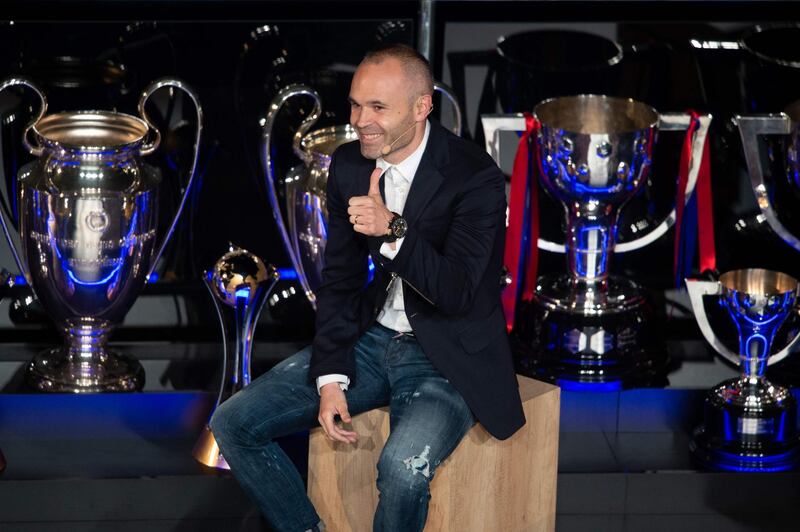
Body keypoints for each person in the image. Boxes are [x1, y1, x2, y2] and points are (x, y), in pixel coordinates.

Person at [210, 43, 525, 532]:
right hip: (373, 339)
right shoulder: (350, 166)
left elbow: (459, 292)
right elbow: (339, 280)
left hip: (445, 354)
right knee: (232, 423)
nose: (361, 120)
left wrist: (394, 230)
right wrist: (330, 376)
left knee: (400, 471)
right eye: (356, 104)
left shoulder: (475, 177)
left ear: (422, 108)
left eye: (379, 107)